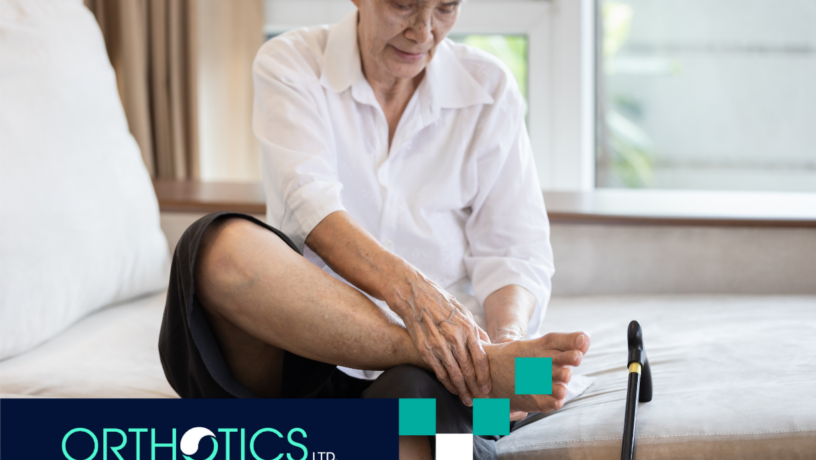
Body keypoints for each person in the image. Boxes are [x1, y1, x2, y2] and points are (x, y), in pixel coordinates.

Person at [158, 1, 591, 459]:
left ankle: (475, 377)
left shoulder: (488, 88)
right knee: (216, 246)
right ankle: (473, 366)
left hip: (428, 390)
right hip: (301, 365)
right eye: (404, 4)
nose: (423, 32)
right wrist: (425, 310)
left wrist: (507, 340)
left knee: (411, 403)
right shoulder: (292, 62)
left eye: (445, 7)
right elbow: (313, 211)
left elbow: (514, 251)